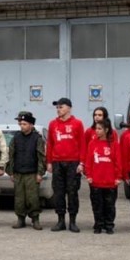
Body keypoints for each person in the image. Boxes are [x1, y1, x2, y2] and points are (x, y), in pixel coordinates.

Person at [47, 97, 86, 233]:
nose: (58, 110)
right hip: (57, 162)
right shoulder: (53, 124)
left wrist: (82, 162)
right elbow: (50, 144)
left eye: (61, 107)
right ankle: (61, 220)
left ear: (69, 108)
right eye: (57, 107)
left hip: (73, 162)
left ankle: (73, 221)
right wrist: (49, 162)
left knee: (72, 191)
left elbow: (82, 144)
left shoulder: (77, 124)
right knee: (58, 192)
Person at [6, 110, 46, 230]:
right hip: (18, 173)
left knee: (33, 198)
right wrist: (11, 172)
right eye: (21, 124)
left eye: (24, 124)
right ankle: (20, 218)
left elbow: (41, 156)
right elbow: (11, 155)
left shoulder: (37, 138)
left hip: (32, 173)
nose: (22, 126)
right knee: (19, 198)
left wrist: (40, 173)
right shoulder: (16, 137)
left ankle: (35, 219)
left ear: (31, 125)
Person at [85, 119, 122, 234]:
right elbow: (89, 161)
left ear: (106, 130)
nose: (97, 131)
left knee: (110, 205)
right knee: (97, 205)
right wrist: (89, 175)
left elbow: (118, 162)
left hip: (110, 182)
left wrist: (118, 177)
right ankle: (98, 225)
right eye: (96, 128)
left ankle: (109, 225)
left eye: (99, 129)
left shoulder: (114, 144)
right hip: (96, 181)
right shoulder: (92, 144)